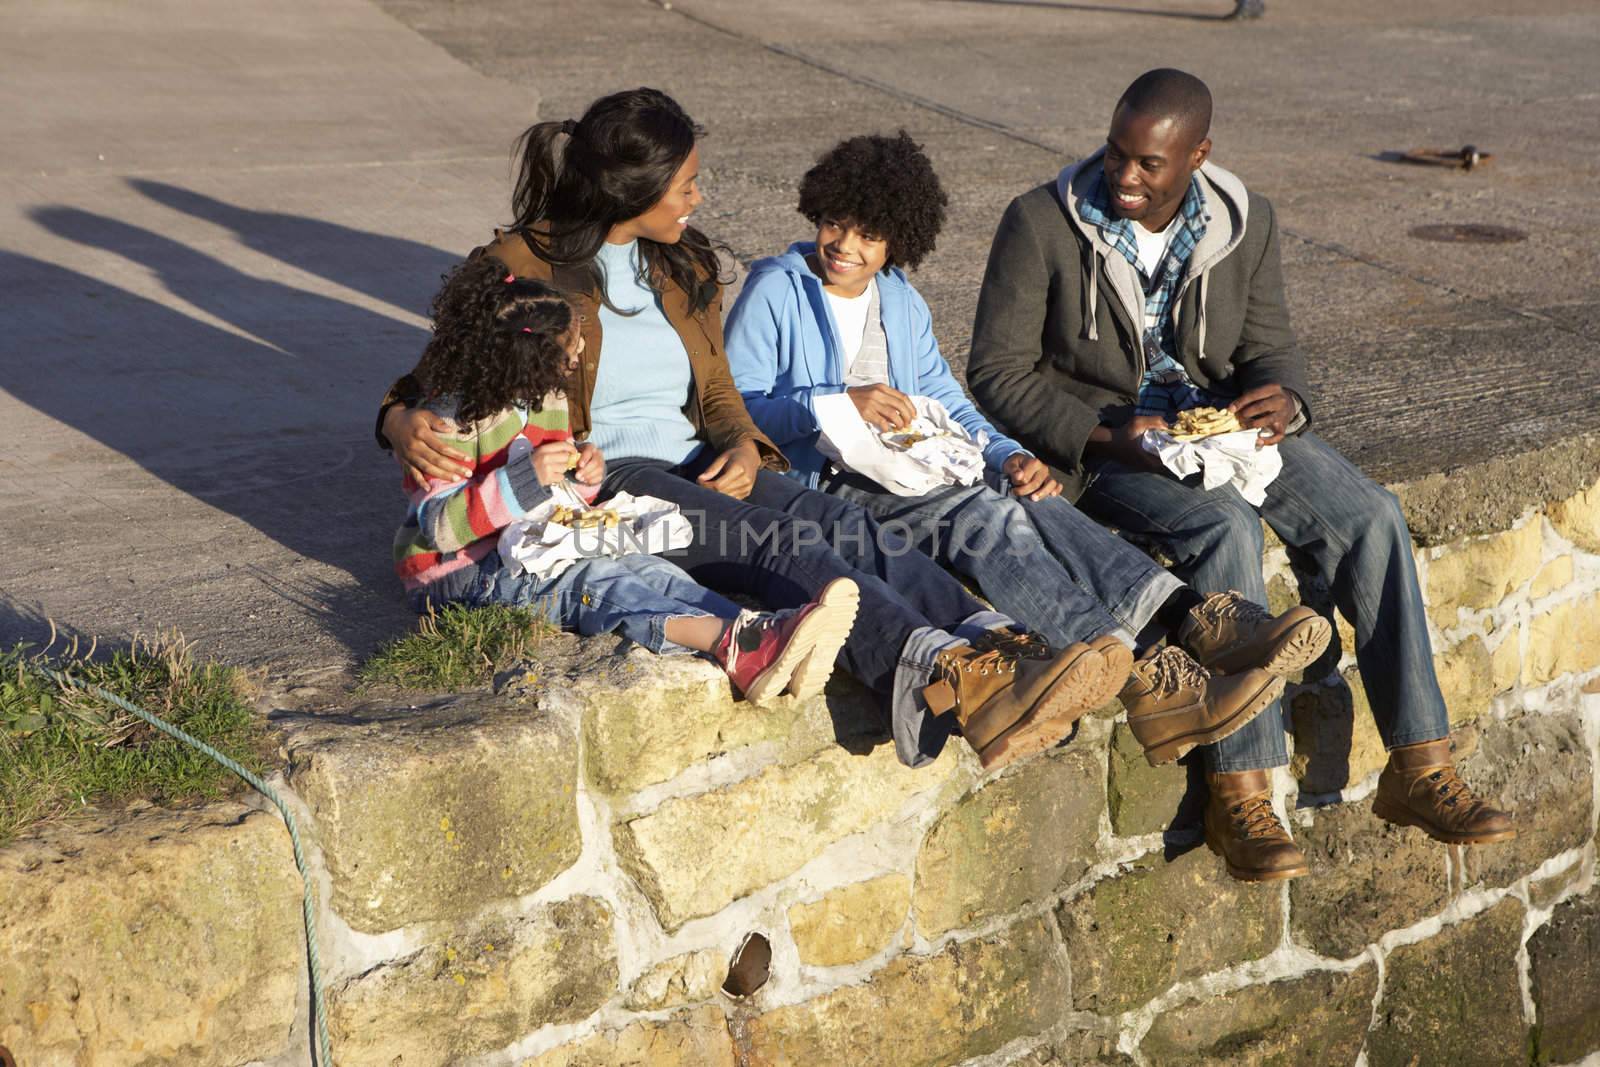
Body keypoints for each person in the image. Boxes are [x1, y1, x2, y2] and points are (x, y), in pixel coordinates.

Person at [378, 88, 1139, 774]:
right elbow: (440, 374)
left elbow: (716, 388)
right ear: (632, 190)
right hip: (604, 477)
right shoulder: (518, 265)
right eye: (685, 186)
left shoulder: (682, 262)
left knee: (842, 521)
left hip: (699, 458)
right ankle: (938, 675)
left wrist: (742, 442)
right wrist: (396, 417)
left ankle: (996, 645)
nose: (698, 197)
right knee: (779, 545)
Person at [967, 68, 1515, 880]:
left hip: (1219, 424)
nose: (1124, 176)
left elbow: (1271, 345)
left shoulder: (1244, 221)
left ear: (1197, 155)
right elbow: (997, 372)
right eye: (1117, 154)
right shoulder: (1041, 223)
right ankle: (1241, 792)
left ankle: (1419, 766)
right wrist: (1107, 434)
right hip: (1107, 446)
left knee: (1371, 514)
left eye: (1149, 164)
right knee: (1223, 525)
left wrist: (1284, 397)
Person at [725, 130, 1332, 770]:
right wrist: (841, 400)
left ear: (897, 241)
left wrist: (1005, 454)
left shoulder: (899, 300)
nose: (846, 248)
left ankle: (1190, 626)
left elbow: (946, 399)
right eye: (834, 227)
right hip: (830, 482)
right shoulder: (777, 290)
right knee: (984, 517)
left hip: (912, 466)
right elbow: (735, 407)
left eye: (868, 237)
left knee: (1030, 495)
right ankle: (1150, 675)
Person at [392, 256, 860, 705]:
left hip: (531, 544)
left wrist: (582, 478)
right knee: (598, 582)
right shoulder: (449, 423)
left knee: (648, 568)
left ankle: (765, 635)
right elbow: (441, 527)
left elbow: (551, 494)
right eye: (569, 352)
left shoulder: (544, 398)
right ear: (527, 359)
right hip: (463, 575)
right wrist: (527, 477)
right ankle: (732, 643)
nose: (578, 356)